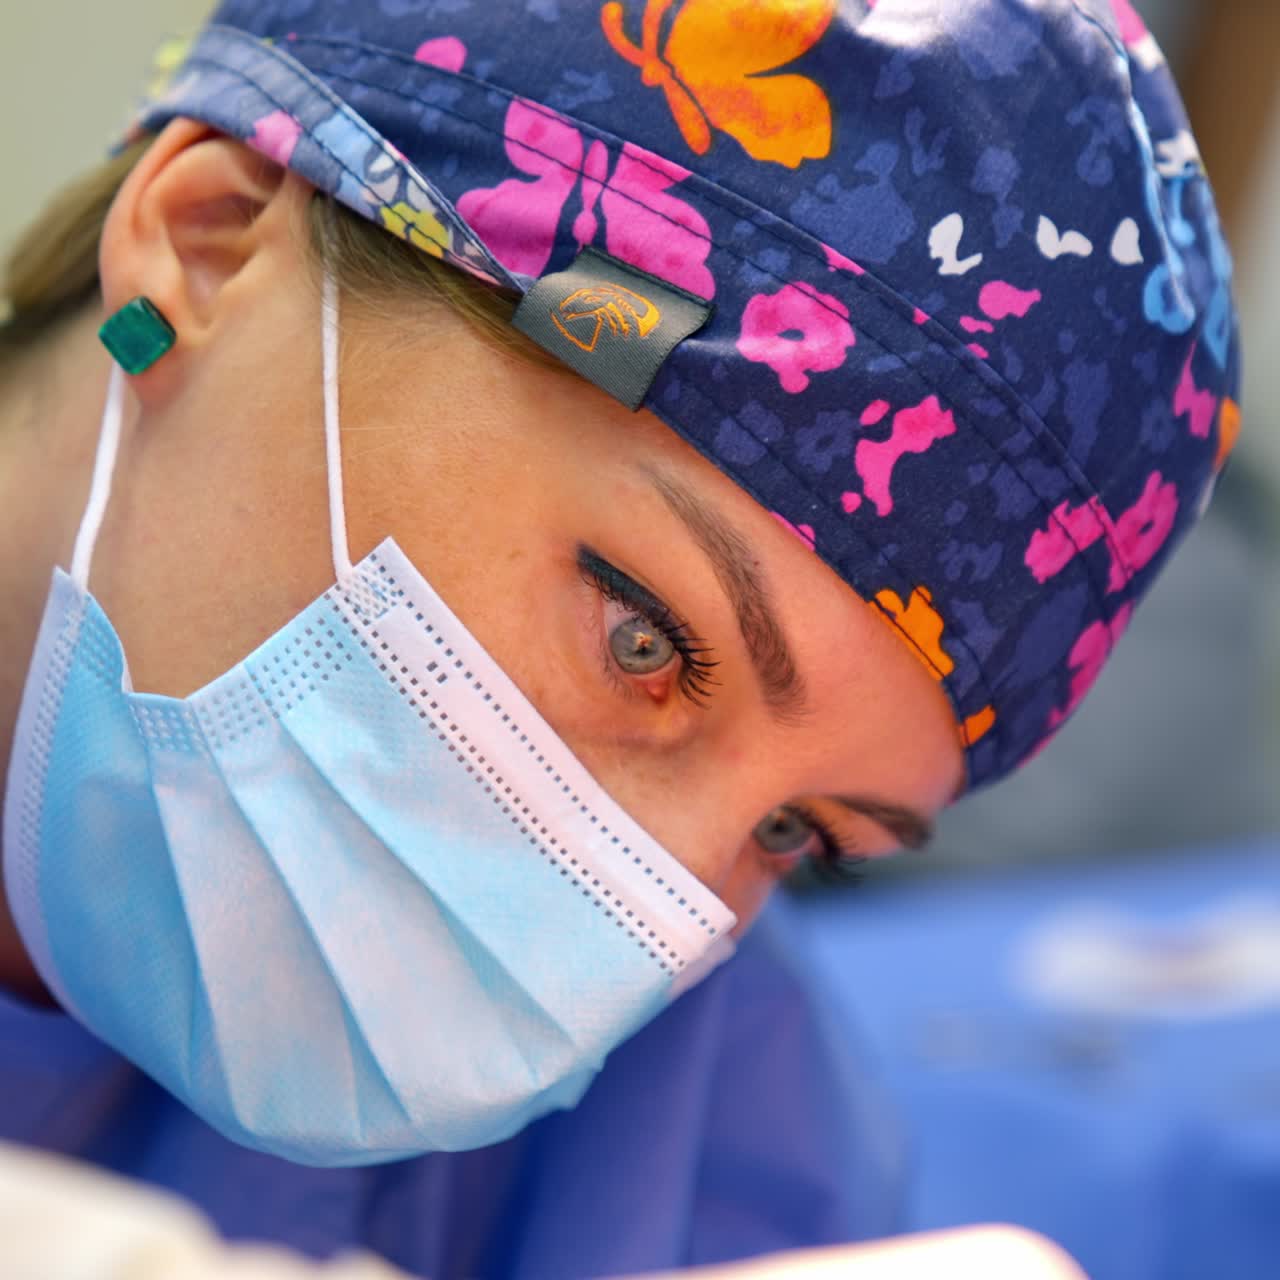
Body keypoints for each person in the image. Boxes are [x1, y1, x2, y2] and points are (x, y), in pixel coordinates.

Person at [0, 0, 1239, 1275]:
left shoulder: (695, 1104)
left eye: (792, 832)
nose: (631, 909)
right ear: (206, 241)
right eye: (644, 639)